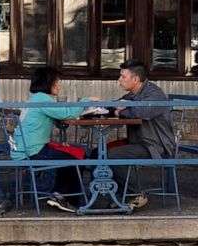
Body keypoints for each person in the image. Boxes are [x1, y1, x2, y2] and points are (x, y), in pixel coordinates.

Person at [11, 67, 100, 213]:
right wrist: (86, 101)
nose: (60, 85)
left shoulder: (36, 98)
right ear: (48, 82)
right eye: (57, 81)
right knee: (78, 158)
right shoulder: (42, 99)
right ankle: (69, 200)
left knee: (72, 154)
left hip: (26, 149)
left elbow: (58, 116)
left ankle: (59, 194)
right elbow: (67, 113)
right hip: (33, 152)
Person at [110, 59, 176, 210]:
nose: (119, 80)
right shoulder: (132, 94)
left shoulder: (154, 94)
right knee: (98, 153)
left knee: (114, 155)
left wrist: (122, 110)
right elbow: (116, 104)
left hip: (156, 147)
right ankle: (120, 195)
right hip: (138, 143)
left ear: (136, 79)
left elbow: (141, 112)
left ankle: (135, 195)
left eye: (123, 77)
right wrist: (114, 107)